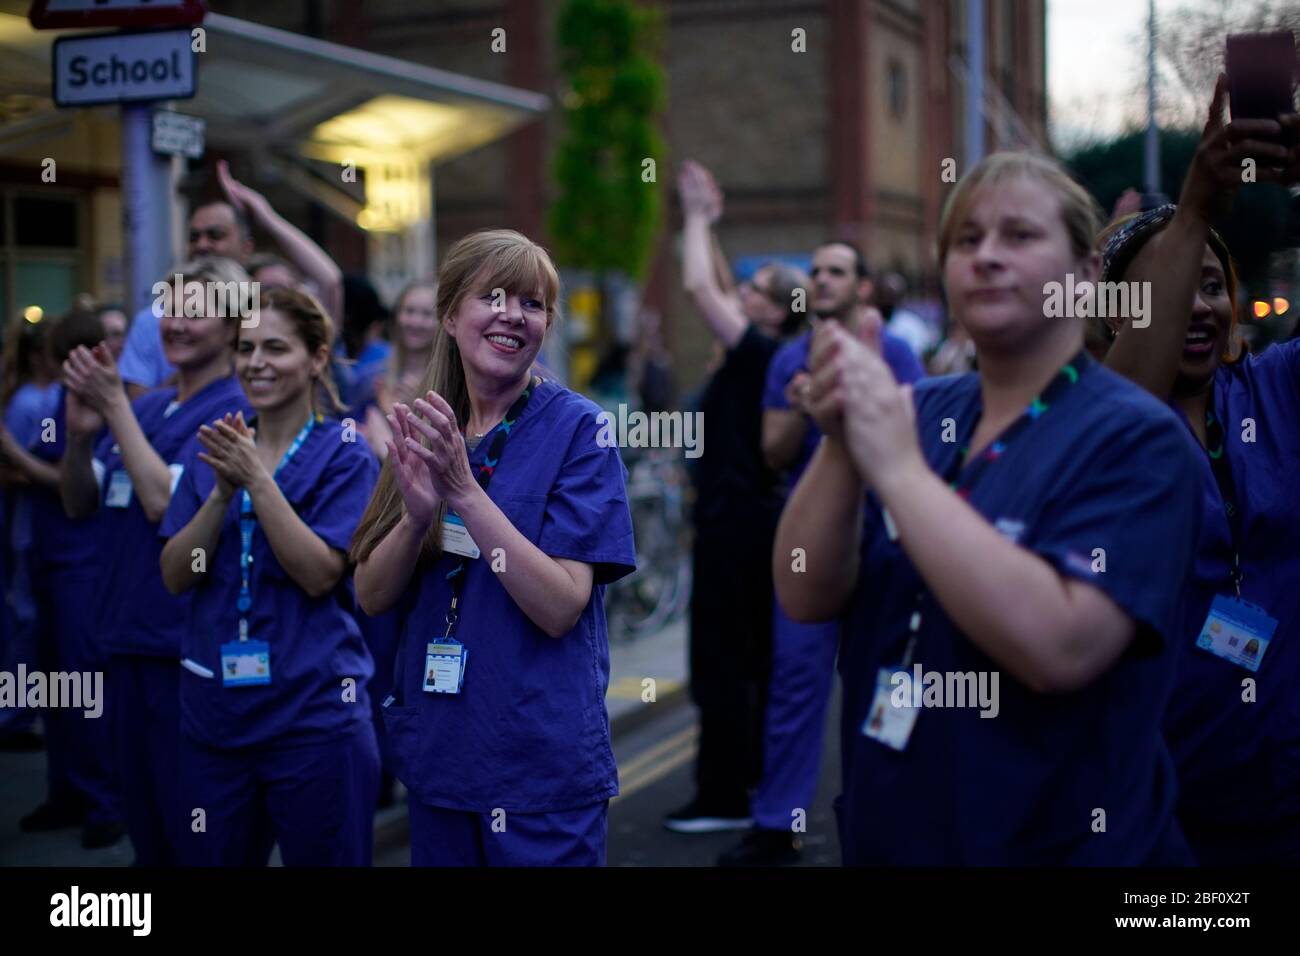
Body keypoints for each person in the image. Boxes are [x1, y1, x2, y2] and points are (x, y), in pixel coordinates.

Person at [774, 152, 1202, 864]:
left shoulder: (1137, 439)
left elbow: (1059, 647)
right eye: (967, 241)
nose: (988, 257)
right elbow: (805, 590)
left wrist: (900, 470)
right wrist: (843, 439)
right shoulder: (917, 410)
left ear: (1086, 276)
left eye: (1020, 236)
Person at [351, 229, 635, 867]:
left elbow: (562, 605)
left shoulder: (579, 430)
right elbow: (371, 596)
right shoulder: (425, 423)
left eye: (532, 304)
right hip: (443, 763)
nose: (513, 315)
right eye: (494, 297)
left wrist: (466, 495)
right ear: (450, 315)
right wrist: (414, 519)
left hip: (539, 771)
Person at [1099, 76, 1300, 864]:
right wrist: (1193, 213)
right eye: (1167, 292)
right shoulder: (1091, 419)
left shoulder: (1276, 385)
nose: (1196, 308)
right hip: (1166, 796)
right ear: (1119, 317)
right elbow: (1113, 414)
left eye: (1211, 287)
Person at [159, 287, 380, 866]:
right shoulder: (219, 448)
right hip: (217, 720)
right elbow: (176, 576)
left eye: (275, 347)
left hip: (313, 719)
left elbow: (318, 574)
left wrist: (258, 481)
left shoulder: (346, 454)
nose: (256, 362)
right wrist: (219, 498)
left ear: (316, 358)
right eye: (245, 347)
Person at [722, 242, 925, 866]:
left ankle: (893, 811)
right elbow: (775, 452)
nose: (824, 279)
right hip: (813, 544)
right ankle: (779, 820)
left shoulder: (896, 352)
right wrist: (807, 400)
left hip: (887, 539)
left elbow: (919, 443)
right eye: (817, 271)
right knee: (796, 681)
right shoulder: (789, 355)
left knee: (892, 683)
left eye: (838, 271)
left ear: (862, 287)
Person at [58, 258, 252, 865]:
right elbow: (78, 501)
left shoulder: (235, 408)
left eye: (196, 310)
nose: (177, 322)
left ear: (232, 325)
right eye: (170, 308)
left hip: (181, 650)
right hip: (123, 643)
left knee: (191, 829)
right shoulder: (147, 409)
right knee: (145, 832)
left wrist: (114, 406)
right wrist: (82, 435)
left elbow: (164, 507)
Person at [663, 160, 808, 834]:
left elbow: (698, 285)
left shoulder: (762, 354)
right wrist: (711, 226)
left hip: (741, 527)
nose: (740, 293)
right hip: (734, 525)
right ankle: (730, 786)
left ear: (774, 311)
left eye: (755, 290)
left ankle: (725, 795)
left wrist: (695, 216)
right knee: (728, 658)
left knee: (725, 662)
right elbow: (715, 280)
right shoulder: (764, 352)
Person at [16, 305, 125, 849]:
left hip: (82, 567)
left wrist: (13, 455)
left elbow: (64, 480)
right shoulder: (58, 405)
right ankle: (67, 792)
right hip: (50, 562)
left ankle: (105, 802)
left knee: (87, 689)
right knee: (53, 685)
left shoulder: (103, 407)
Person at [119, 161, 342, 397]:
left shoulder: (263, 309)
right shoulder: (152, 318)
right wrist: (192, 379)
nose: (203, 244)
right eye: (194, 237)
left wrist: (265, 217)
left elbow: (330, 282)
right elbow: (139, 414)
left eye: (216, 235)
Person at [0, 311, 60, 752]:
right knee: (23, 624)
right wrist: (48, 475)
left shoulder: (39, 398)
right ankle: (13, 716)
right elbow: (17, 465)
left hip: (37, 530)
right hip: (28, 527)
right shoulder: (31, 404)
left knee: (29, 624)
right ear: (43, 357)